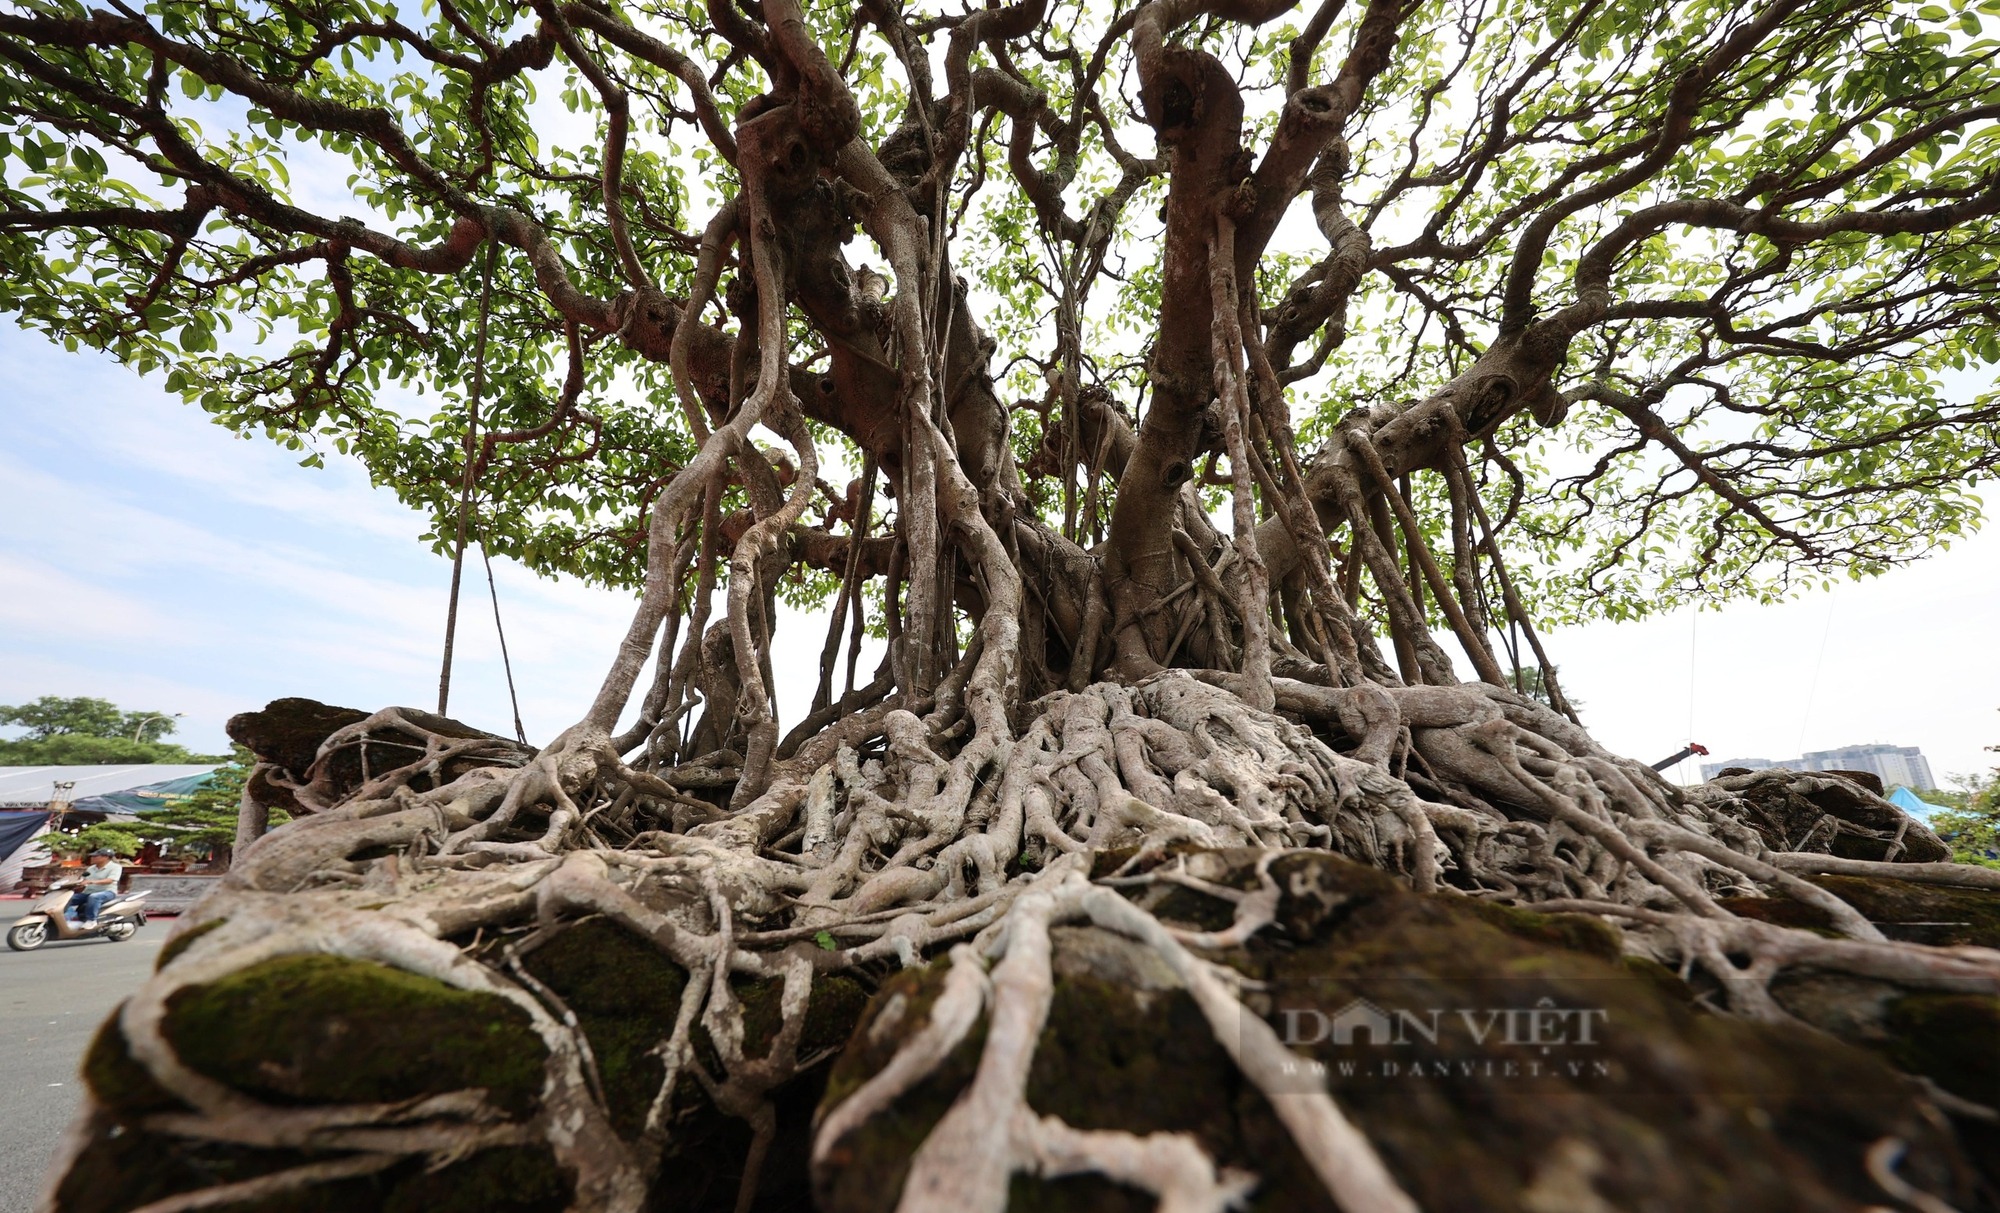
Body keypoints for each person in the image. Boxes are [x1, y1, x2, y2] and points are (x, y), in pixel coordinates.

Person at [68, 850, 123, 927]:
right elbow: (84, 879)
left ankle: (91, 920)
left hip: (107, 892)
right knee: (68, 898)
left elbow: (110, 880)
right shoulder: (91, 868)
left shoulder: (115, 867)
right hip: (88, 892)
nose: (92, 858)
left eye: (95, 856)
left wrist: (92, 881)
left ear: (106, 857)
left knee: (94, 897)